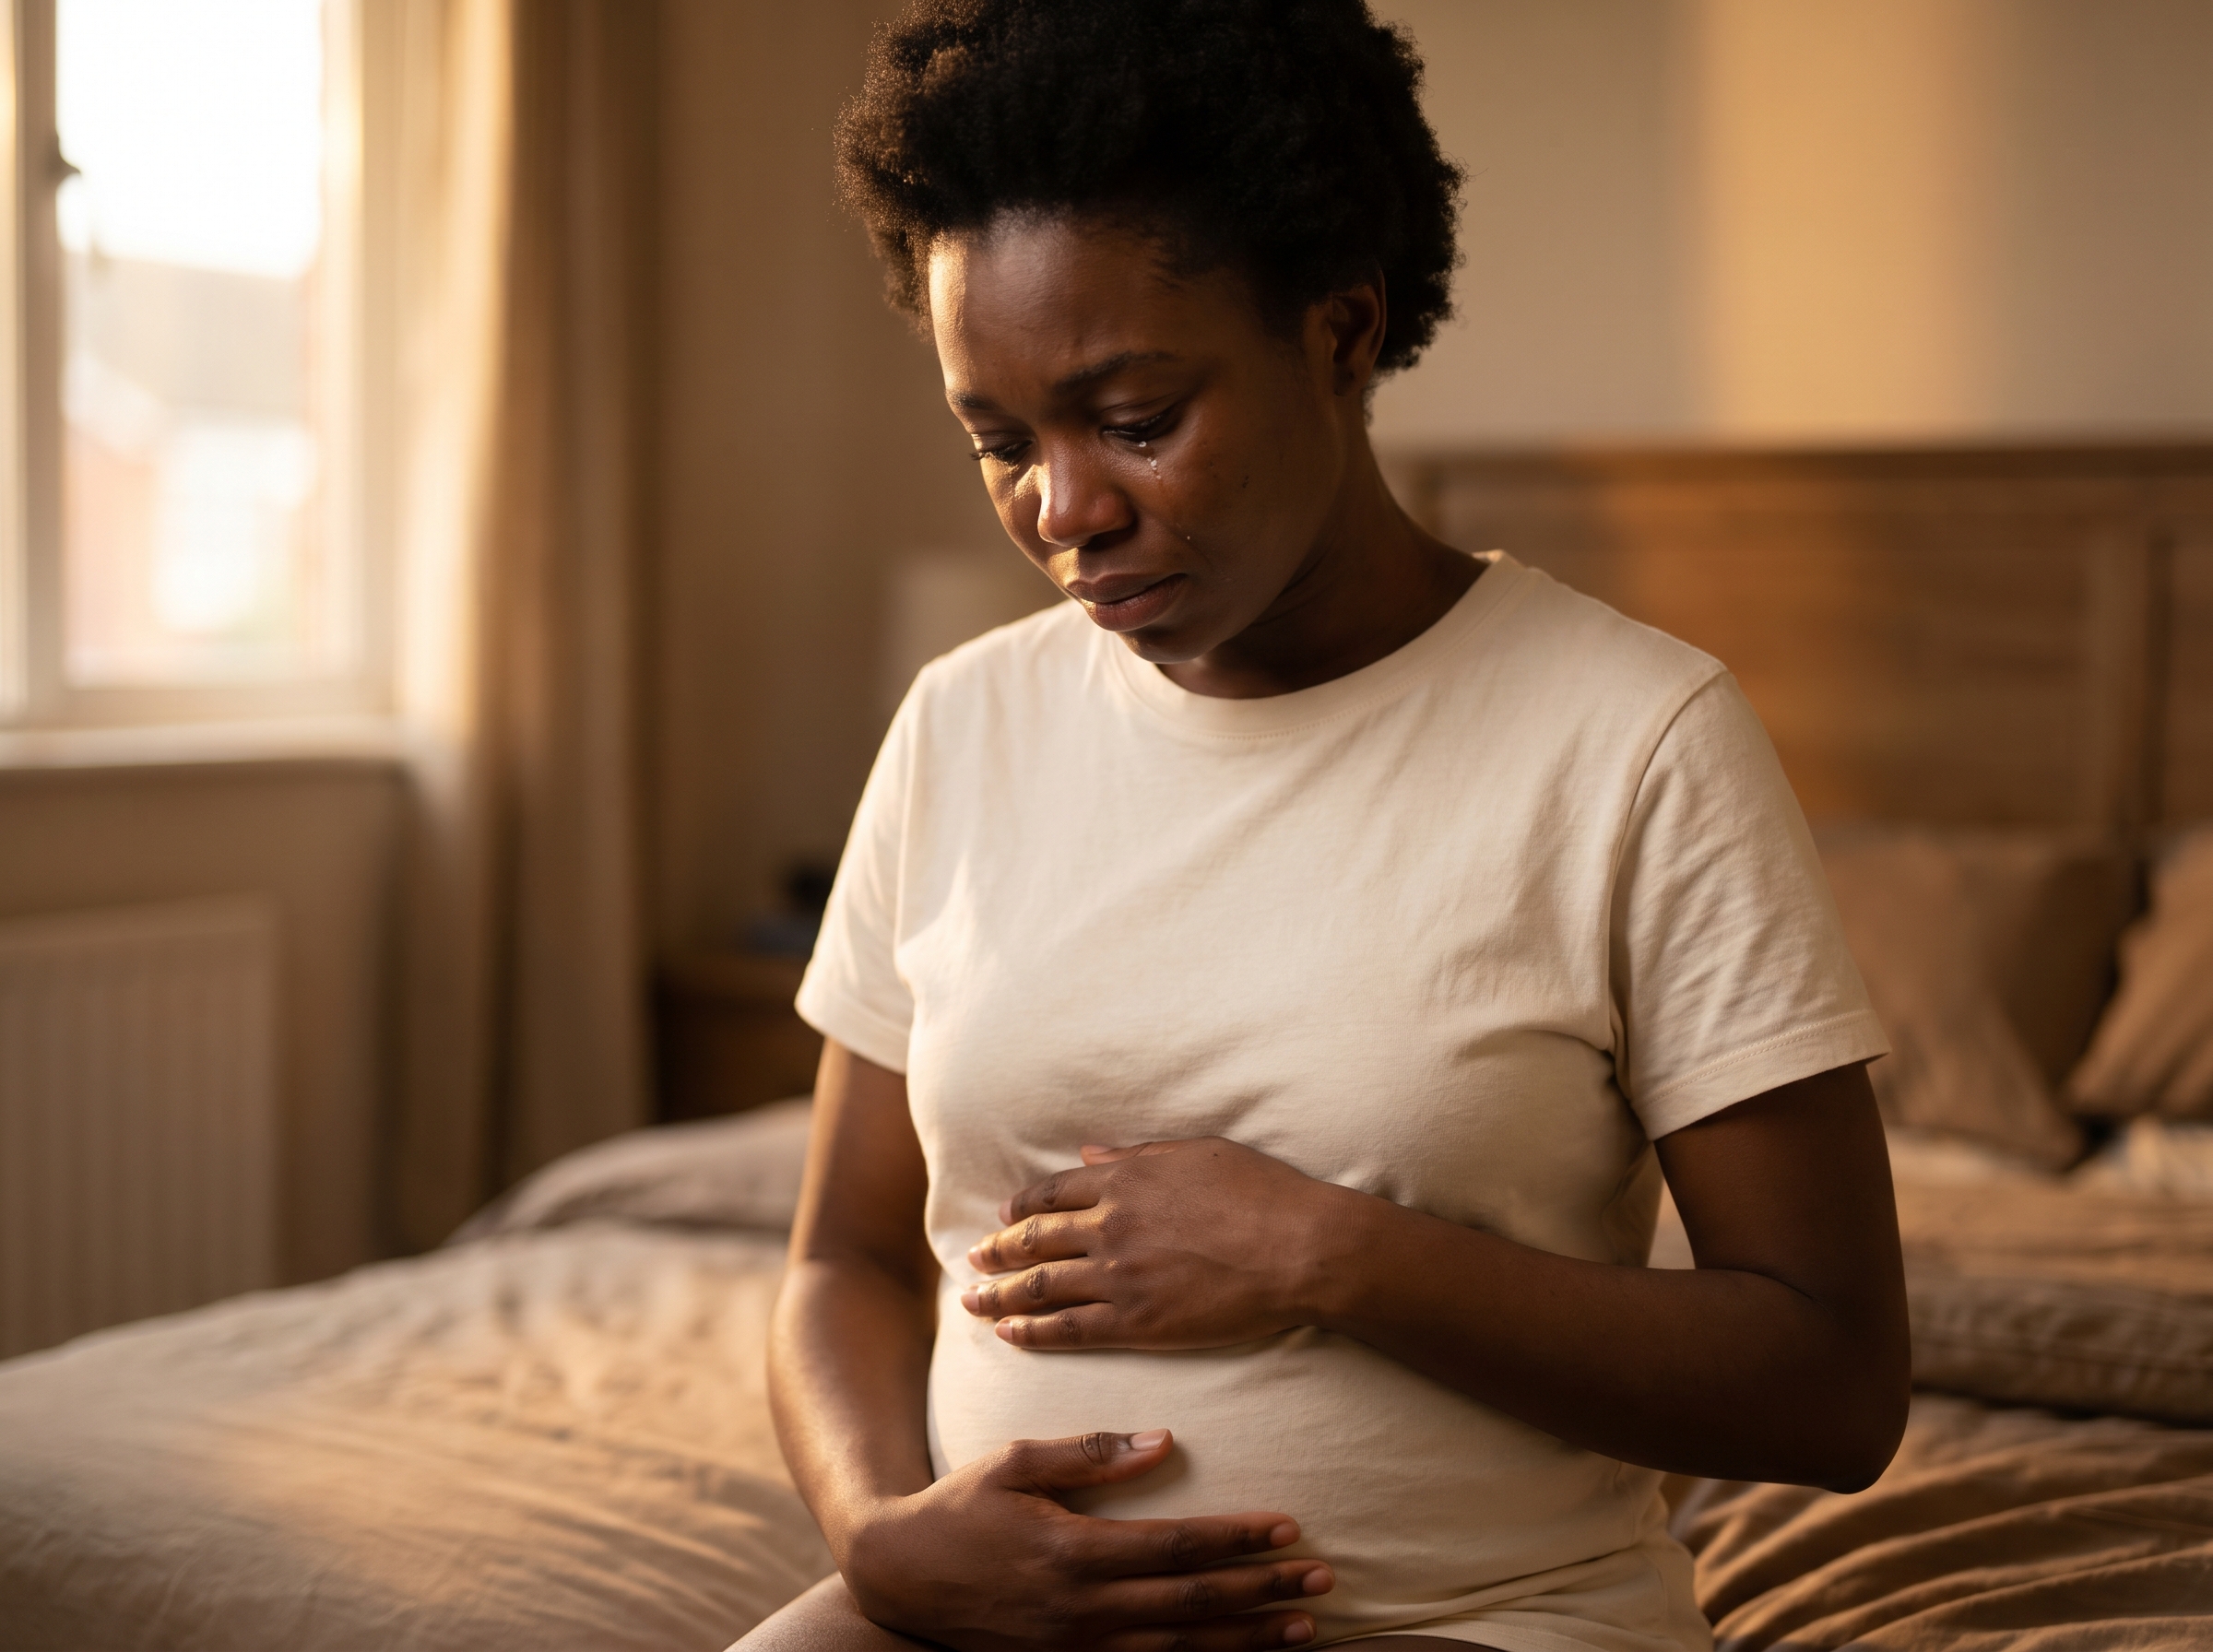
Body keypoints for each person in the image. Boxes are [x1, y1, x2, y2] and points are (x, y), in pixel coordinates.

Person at [739, 4, 1908, 1649]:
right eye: (1000, 442)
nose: (1062, 511)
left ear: (1341, 331)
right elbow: (842, 1261)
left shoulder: (1634, 743)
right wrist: (876, 1538)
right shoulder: (965, 724)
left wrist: (1328, 1253)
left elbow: (1833, 1381)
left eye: (1135, 419)